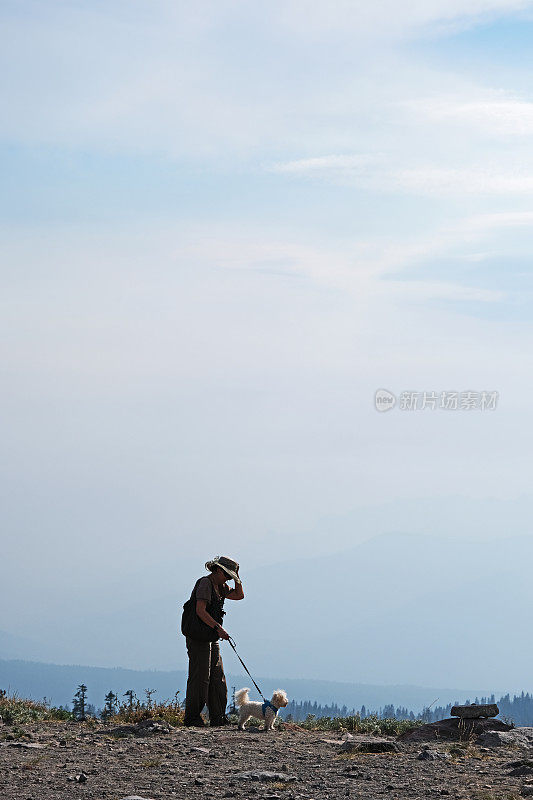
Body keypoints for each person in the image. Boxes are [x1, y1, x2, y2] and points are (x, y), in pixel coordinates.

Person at [183, 556, 244, 727]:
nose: (228, 578)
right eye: (227, 575)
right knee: (200, 677)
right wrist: (219, 628)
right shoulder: (205, 584)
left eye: (230, 576)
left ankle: (218, 717)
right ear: (217, 570)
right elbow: (200, 611)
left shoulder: (221, 586)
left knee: (217, 677)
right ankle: (192, 718)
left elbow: (239, 595)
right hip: (198, 637)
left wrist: (237, 578)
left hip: (210, 636)